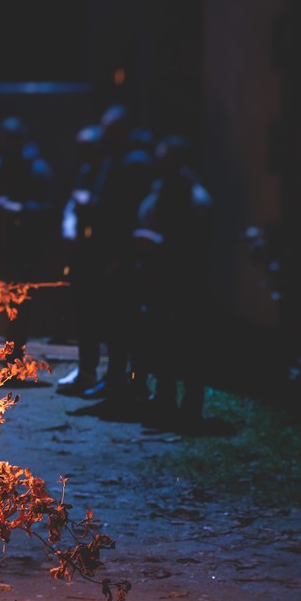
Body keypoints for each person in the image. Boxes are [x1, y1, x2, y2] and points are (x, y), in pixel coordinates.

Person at [63, 106, 156, 408]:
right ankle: (114, 380)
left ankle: (130, 385)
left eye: (109, 128)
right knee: (114, 324)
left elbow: (126, 214)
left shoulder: (134, 162)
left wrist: (118, 255)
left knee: (127, 324)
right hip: (107, 253)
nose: (104, 134)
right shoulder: (112, 159)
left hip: (123, 256)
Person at [0, 117, 59, 371]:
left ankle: (15, 359)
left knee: (19, 304)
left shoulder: (36, 171)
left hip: (22, 250)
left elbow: (51, 209)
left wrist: (22, 210)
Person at [134, 136, 215, 430]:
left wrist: (160, 244)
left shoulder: (194, 198)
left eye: (165, 160)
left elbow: (196, 243)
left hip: (184, 282)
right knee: (164, 342)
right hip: (160, 280)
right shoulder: (165, 191)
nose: (159, 165)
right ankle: (166, 400)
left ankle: (191, 409)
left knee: (189, 346)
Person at [56, 125, 105, 393]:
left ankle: (100, 374)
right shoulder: (86, 172)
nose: (82, 154)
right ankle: (86, 369)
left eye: (87, 148)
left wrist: (91, 203)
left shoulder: (107, 172)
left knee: (99, 316)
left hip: (100, 254)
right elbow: (73, 206)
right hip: (82, 254)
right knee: (84, 316)